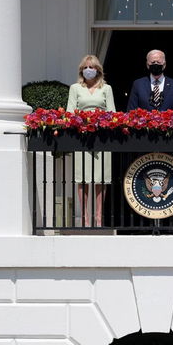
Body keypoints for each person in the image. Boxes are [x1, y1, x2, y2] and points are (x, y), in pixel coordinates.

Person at [66, 55, 114, 227]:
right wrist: (81, 123)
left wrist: (102, 123)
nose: (89, 70)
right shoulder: (75, 88)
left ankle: (99, 217)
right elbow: (70, 112)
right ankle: (85, 217)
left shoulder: (106, 88)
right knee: (83, 178)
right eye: (86, 67)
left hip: (101, 138)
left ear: (98, 70)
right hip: (82, 137)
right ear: (81, 70)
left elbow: (112, 113)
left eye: (92, 67)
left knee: (101, 179)